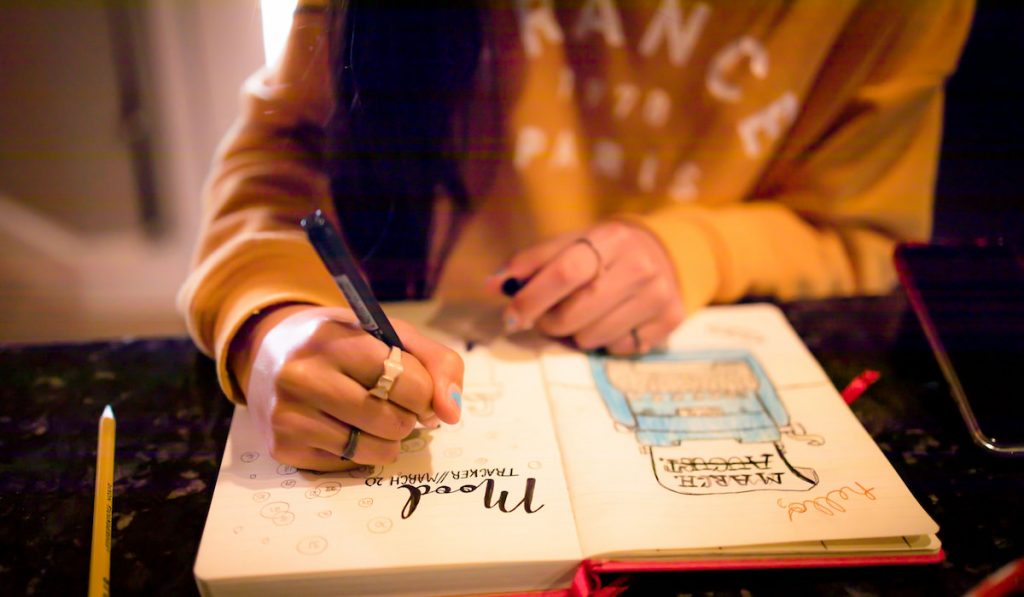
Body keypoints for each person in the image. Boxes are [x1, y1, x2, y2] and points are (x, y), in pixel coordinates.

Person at [178, 1, 973, 471]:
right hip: (415, 346)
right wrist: (272, 323)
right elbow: (283, 162)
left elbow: (862, 235)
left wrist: (692, 252)